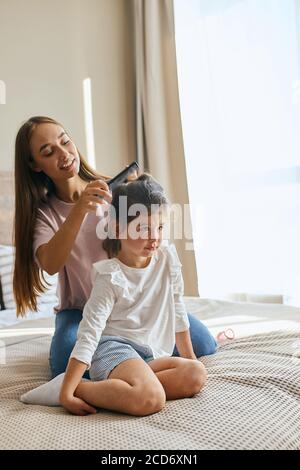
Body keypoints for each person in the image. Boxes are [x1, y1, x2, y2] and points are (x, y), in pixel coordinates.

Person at [13, 116, 216, 380]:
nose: (64, 154)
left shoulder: (113, 191)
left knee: (205, 344)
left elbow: (152, 233)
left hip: (132, 300)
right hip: (81, 310)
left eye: (65, 142)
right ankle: (129, 367)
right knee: (64, 365)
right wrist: (80, 210)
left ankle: (134, 369)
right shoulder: (45, 215)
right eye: (49, 152)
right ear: (34, 164)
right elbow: (50, 264)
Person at [60, 174, 207, 416]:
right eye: (144, 228)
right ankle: (82, 388)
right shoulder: (110, 276)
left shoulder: (167, 257)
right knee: (151, 399)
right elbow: (90, 333)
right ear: (117, 228)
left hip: (149, 353)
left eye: (159, 227)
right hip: (115, 349)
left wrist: (191, 358)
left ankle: (137, 384)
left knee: (195, 374)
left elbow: (177, 308)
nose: (154, 237)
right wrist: (67, 390)